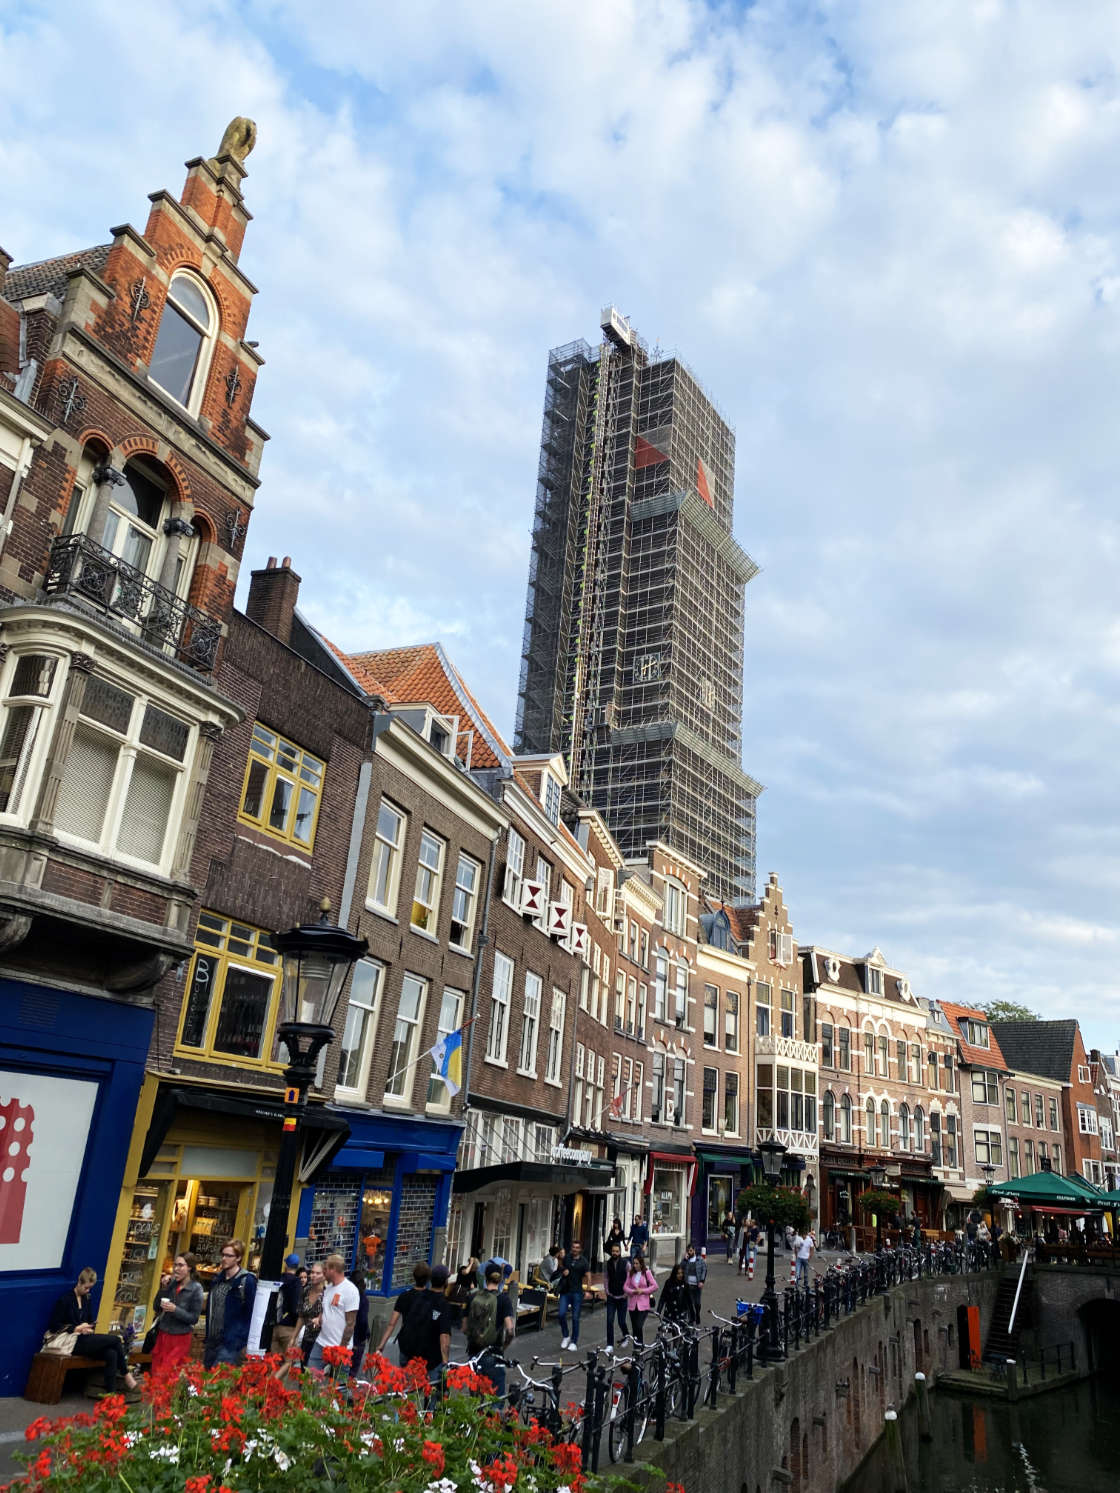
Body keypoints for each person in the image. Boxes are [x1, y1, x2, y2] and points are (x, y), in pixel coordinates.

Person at [46, 1268, 140, 1398]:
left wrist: (89, 1327)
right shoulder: (65, 1300)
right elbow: (54, 1325)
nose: (87, 1291)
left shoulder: (86, 1299)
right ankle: (126, 1375)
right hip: (71, 1341)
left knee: (111, 1353)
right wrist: (76, 1328)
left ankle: (110, 1395)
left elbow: (89, 1320)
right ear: (79, 1282)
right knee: (116, 1340)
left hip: (84, 1338)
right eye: (86, 1288)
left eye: (90, 1288)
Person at [385, 1263, 452, 1381]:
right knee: (432, 1390)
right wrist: (445, 1362)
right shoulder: (443, 1304)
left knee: (408, 1388)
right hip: (431, 1357)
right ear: (445, 1282)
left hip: (410, 1350)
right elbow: (444, 1336)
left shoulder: (418, 1296)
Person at [203, 1239, 257, 1369]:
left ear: (238, 1258)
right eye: (223, 1255)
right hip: (212, 1341)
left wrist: (242, 1340)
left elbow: (252, 1313)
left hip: (231, 1343)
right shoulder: (217, 1279)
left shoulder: (246, 1281)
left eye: (229, 1256)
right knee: (206, 1379)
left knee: (218, 1380)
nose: (224, 1258)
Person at [150, 1253, 203, 1383]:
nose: (176, 1269)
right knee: (156, 1372)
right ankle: (155, 1402)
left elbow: (194, 1318)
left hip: (180, 1338)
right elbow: (156, 1307)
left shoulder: (196, 1288)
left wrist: (175, 1310)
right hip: (163, 1335)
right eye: (175, 1265)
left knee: (168, 1375)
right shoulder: (171, 1284)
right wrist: (163, 1288)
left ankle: (165, 1402)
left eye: (181, 1265)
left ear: (190, 1267)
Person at [465, 1262, 514, 1395]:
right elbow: (510, 1330)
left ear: (485, 1278)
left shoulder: (472, 1297)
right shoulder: (504, 1300)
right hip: (494, 1353)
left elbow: (464, 1327)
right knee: (496, 1401)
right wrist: (503, 1347)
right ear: (500, 1280)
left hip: (474, 1353)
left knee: (475, 1401)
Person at [307, 1253, 360, 1374]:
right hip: (322, 1343)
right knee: (310, 1378)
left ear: (333, 1270)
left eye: (325, 1269)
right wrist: (319, 1319)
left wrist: (341, 1349)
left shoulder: (350, 1290)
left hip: (341, 1347)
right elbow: (326, 1308)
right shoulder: (329, 1287)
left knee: (339, 1387)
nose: (323, 1272)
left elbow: (351, 1323)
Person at [377, 1261, 431, 1364]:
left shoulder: (404, 1296)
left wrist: (382, 1344)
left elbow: (392, 1324)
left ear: (414, 1276)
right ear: (428, 1279)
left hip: (407, 1340)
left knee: (404, 1373)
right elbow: (435, 1318)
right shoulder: (431, 1298)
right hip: (424, 1342)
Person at [557, 1239, 589, 1351]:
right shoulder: (567, 1257)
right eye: (573, 1247)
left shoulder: (583, 1261)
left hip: (577, 1292)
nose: (574, 1249)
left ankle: (574, 1342)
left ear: (580, 1249)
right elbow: (560, 1264)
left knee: (575, 1318)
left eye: (577, 1247)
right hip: (565, 1291)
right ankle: (566, 1336)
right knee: (561, 1314)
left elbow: (588, 1275)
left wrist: (588, 1290)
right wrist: (563, 1270)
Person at [271, 1253, 303, 1366]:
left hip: (274, 1326)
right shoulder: (296, 1282)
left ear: (286, 1265)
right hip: (289, 1328)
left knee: (273, 1362)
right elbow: (295, 1307)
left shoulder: (278, 1278)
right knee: (288, 1363)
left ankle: (269, 1383)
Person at [294, 1261, 325, 1372]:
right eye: (312, 1272)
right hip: (307, 1338)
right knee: (304, 1371)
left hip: (322, 1341)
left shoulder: (328, 1293)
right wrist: (294, 1336)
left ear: (324, 1275)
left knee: (314, 1374)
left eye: (317, 1273)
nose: (313, 1275)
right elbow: (301, 1316)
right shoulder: (306, 1291)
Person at [623, 1254, 657, 1345]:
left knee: (639, 1326)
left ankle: (640, 1345)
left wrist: (642, 1291)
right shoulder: (630, 1273)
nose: (635, 1265)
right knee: (634, 1328)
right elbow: (625, 1287)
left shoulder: (647, 1273)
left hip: (644, 1305)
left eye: (637, 1263)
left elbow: (655, 1286)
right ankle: (636, 1348)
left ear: (641, 1264)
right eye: (634, 1263)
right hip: (633, 1305)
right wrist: (633, 1291)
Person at [604, 1240, 629, 1351]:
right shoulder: (608, 1263)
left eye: (617, 1251)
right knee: (609, 1320)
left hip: (622, 1297)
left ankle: (626, 1336)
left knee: (621, 1321)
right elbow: (606, 1278)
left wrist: (627, 1293)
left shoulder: (626, 1264)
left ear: (620, 1252)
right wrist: (607, 1291)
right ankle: (610, 1345)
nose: (615, 1253)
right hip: (611, 1297)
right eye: (613, 1251)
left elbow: (630, 1278)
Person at [348, 1270, 370, 1378]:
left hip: (346, 1337)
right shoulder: (362, 1299)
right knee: (351, 1372)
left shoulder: (348, 1296)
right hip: (356, 1339)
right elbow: (362, 1321)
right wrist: (359, 1341)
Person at [447, 1257, 478, 1330]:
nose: (474, 1267)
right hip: (458, 1293)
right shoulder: (463, 1268)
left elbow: (474, 1285)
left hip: (466, 1293)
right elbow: (466, 1272)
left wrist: (473, 1285)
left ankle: (466, 1322)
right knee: (469, 1300)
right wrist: (471, 1263)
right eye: (474, 1265)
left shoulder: (473, 1273)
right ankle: (460, 1322)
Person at [681, 1244, 706, 1324]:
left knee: (697, 1303)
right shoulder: (686, 1261)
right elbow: (680, 1268)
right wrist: (684, 1260)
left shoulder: (699, 1260)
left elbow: (704, 1270)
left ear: (694, 1251)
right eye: (688, 1251)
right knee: (690, 1303)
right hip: (688, 1285)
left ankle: (697, 1314)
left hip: (697, 1285)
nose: (689, 1252)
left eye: (691, 1251)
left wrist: (702, 1281)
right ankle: (692, 1318)